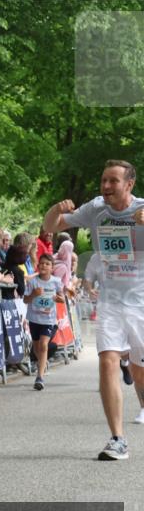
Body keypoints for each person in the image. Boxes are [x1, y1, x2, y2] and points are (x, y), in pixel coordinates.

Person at [43, 159, 144, 461]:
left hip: (141, 301)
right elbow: (50, 227)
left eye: (114, 181)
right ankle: (117, 439)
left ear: (130, 184)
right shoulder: (95, 209)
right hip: (111, 302)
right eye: (104, 180)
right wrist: (56, 210)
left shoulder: (142, 208)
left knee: (139, 372)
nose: (107, 186)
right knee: (108, 361)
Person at [23, 253, 66, 391]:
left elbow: (62, 298)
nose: (43, 266)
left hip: (49, 320)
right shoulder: (32, 282)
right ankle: (43, 362)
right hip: (34, 319)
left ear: (52, 267)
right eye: (41, 263)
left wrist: (59, 298)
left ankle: (39, 377)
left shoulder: (56, 282)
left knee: (43, 344)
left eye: (47, 264)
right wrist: (34, 295)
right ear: (38, 265)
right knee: (37, 348)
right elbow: (25, 300)